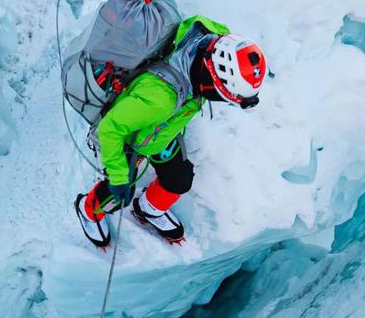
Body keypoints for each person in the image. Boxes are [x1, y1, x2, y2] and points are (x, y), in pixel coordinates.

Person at [74, 15, 267, 247]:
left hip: (161, 131)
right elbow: (110, 128)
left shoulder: (212, 39)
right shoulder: (160, 100)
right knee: (116, 194)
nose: (224, 101)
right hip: (133, 136)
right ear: (213, 80)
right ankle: (88, 210)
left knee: (179, 179)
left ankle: (148, 209)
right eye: (225, 95)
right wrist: (118, 177)